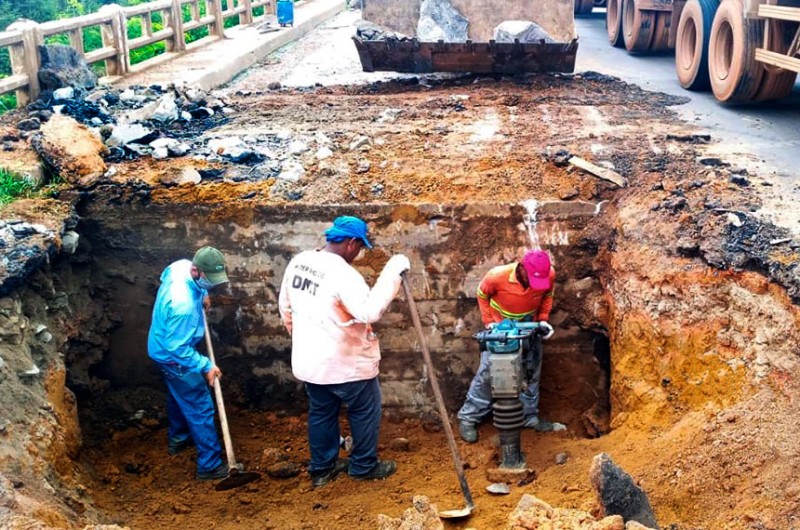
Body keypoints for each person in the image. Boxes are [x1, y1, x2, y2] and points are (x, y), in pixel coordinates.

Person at [279, 216, 410, 487]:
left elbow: (286, 309)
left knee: (321, 413)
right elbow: (369, 310)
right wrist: (393, 271)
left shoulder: (299, 262)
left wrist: (304, 341)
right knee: (364, 411)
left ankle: (322, 470)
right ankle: (363, 466)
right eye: (360, 247)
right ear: (351, 243)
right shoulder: (343, 274)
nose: (359, 253)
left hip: (311, 364)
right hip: (348, 365)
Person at [147, 246, 230, 481]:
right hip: (174, 357)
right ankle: (210, 465)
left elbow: (166, 275)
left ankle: (179, 439)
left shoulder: (180, 266)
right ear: (196, 271)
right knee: (199, 405)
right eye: (208, 282)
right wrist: (205, 365)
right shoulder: (182, 306)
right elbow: (178, 348)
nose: (211, 285)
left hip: (162, 345)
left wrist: (201, 294)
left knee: (178, 395)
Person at [457, 249, 557, 443]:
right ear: (521, 268)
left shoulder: (549, 275)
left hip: (529, 325)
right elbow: (482, 294)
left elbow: (548, 294)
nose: (535, 285)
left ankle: (529, 417)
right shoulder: (497, 276)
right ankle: (468, 417)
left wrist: (543, 319)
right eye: (532, 279)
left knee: (531, 371)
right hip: (503, 328)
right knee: (489, 373)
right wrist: (489, 322)